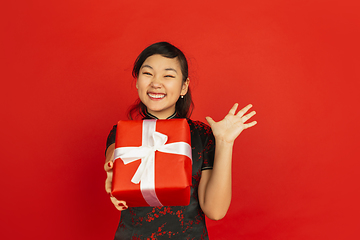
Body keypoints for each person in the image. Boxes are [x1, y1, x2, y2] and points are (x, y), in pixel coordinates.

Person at [104, 42, 257, 239]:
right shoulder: (122, 132)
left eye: (168, 76)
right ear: (137, 82)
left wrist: (224, 143)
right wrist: (111, 174)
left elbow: (215, 211)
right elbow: (113, 161)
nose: (156, 83)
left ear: (184, 86)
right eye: (148, 73)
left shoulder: (201, 135)